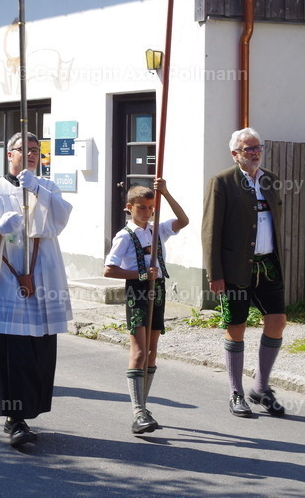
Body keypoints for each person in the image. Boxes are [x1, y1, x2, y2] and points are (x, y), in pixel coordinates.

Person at [0, 131, 72, 449]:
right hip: (7, 277)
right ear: (8, 154)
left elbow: (61, 217)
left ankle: (28, 410)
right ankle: (14, 419)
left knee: (36, 349)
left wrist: (36, 188)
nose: (28, 154)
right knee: (10, 349)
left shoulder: (46, 186)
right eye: (21, 149)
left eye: (35, 150)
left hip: (43, 277)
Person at [204, 127, 287, 417]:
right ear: (235, 154)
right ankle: (235, 392)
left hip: (268, 266)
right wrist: (215, 273)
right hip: (235, 269)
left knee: (277, 321)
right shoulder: (222, 182)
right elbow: (210, 230)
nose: (254, 152)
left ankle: (261, 387)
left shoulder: (271, 181)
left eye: (257, 147)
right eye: (248, 149)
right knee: (236, 327)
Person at [104, 179, 188, 434]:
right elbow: (108, 270)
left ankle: (144, 405)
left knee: (152, 352)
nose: (147, 212)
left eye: (151, 208)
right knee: (139, 352)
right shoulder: (124, 236)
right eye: (142, 208)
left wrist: (166, 192)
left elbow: (183, 221)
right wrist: (140, 275)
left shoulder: (157, 230)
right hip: (138, 292)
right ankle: (138, 411)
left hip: (158, 291)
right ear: (129, 208)